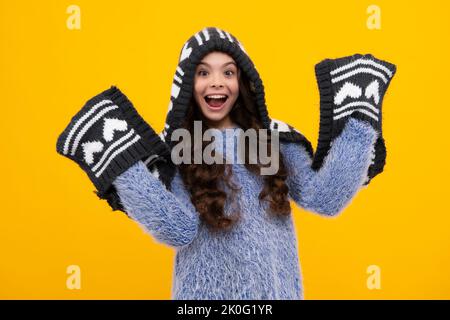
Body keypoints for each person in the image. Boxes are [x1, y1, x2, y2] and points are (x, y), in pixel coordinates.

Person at [56, 27, 396, 299]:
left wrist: (358, 121)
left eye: (228, 72)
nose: (216, 81)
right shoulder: (183, 148)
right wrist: (122, 162)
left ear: (243, 83)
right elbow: (177, 228)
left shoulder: (275, 139)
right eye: (203, 72)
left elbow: (325, 198)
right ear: (188, 85)